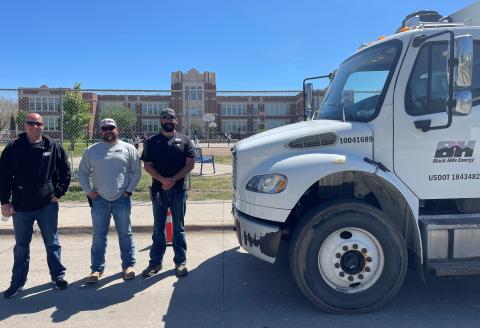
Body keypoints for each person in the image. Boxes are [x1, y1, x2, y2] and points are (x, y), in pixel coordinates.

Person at [0, 113, 71, 298]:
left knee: (52, 242)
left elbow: (65, 170)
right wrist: (4, 202)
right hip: (21, 206)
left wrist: (59, 193)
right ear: (25, 125)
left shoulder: (52, 146)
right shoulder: (13, 147)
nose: (35, 126)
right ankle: (17, 283)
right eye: (31, 123)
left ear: (43, 126)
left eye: (38, 123)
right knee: (21, 246)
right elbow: (4, 176)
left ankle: (58, 276)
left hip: (47, 204)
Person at [78, 118, 141, 283]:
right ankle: (96, 269)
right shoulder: (91, 150)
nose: (108, 131)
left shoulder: (128, 148)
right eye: (105, 128)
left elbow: (136, 171)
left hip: (122, 199)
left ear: (117, 129)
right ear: (101, 131)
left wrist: (128, 191)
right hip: (100, 200)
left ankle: (128, 266)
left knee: (125, 234)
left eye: (111, 128)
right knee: (99, 235)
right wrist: (88, 191)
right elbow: (83, 172)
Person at [141, 108, 195, 278]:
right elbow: (147, 165)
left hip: (179, 191)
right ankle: (155, 263)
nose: (168, 120)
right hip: (159, 192)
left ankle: (180, 262)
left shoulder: (185, 140)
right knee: (158, 228)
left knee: (178, 228)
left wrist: (173, 179)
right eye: (165, 117)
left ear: (176, 120)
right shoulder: (152, 141)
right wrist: (163, 180)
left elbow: (190, 164)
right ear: (160, 120)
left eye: (171, 117)